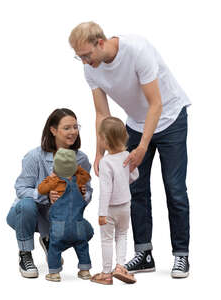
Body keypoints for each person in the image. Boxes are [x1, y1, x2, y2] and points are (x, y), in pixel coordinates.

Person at [69, 22, 191, 278]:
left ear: (100, 43)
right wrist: (100, 153)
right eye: (79, 57)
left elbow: (155, 104)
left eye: (86, 55)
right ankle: (144, 253)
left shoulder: (137, 50)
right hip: (135, 124)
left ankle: (181, 255)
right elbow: (102, 114)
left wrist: (143, 146)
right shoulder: (91, 70)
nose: (84, 62)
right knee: (135, 189)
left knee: (175, 188)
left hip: (170, 119)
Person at [6, 108, 93, 279]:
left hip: (58, 216)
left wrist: (83, 195)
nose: (73, 132)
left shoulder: (81, 159)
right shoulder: (34, 156)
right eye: (67, 128)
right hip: (26, 214)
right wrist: (46, 196)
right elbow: (21, 189)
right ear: (53, 130)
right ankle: (25, 253)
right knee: (26, 204)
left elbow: (89, 190)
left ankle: (50, 241)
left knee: (86, 231)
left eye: (75, 127)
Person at [90, 117, 138, 285]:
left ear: (105, 140)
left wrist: (102, 213)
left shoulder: (105, 162)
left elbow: (106, 190)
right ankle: (120, 266)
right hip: (126, 205)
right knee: (122, 235)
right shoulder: (127, 156)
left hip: (110, 208)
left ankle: (106, 274)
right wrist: (124, 181)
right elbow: (135, 175)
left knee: (106, 239)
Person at [38, 148, 93, 282]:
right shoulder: (79, 180)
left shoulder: (55, 181)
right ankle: (85, 271)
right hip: (78, 225)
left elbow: (41, 189)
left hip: (59, 226)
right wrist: (77, 168)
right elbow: (88, 176)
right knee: (82, 245)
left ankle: (54, 273)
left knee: (54, 247)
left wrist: (49, 178)